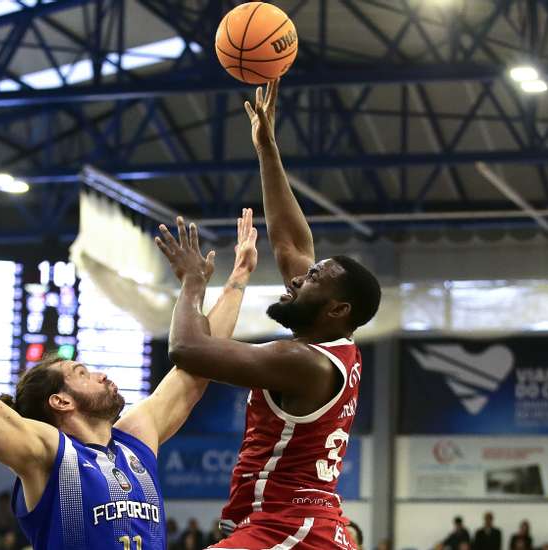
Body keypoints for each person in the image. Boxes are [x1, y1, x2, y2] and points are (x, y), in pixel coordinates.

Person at [0, 210, 259, 550]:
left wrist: (239, 276)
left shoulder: (136, 437)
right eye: (81, 373)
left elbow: (199, 365)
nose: (101, 374)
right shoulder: (47, 453)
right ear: (60, 401)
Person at [158, 78, 381, 550]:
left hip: (289, 528)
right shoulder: (331, 342)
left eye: (313, 279)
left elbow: (187, 349)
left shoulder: (302, 361)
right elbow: (291, 244)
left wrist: (194, 282)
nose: (299, 278)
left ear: (337, 308)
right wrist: (267, 149)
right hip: (301, 524)